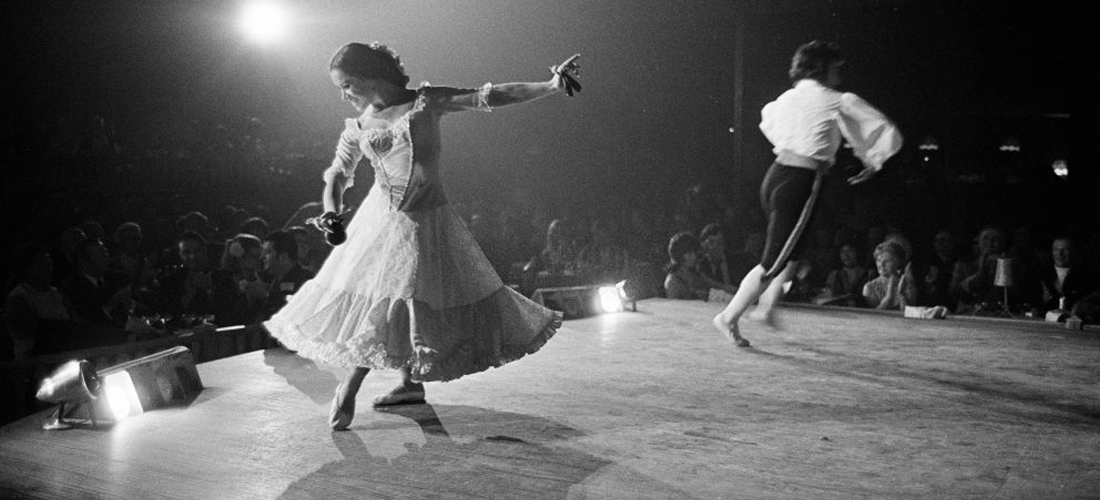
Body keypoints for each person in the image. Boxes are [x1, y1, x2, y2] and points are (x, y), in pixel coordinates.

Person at [263, 42, 578, 430]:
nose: (344, 95)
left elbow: (487, 95)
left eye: (347, 85)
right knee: (392, 300)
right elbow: (337, 176)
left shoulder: (426, 103)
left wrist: (549, 85)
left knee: (414, 299)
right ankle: (367, 385)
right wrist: (331, 214)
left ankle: (397, 385)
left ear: (370, 78)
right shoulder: (359, 127)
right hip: (380, 222)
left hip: (428, 219)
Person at [712, 40, 902, 347]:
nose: (839, 70)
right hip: (801, 182)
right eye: (835, 66)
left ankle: (767, 310)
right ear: (822, 67)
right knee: (772, 262)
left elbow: (768, 118)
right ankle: (729, 316)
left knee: (794, 254)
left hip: (777, 175)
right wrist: (874, 160)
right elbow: (881, 128)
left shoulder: (789, 97)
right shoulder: (838, 99)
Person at [663, 232, 735, 300]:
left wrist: (737, 291)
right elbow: (675, 309)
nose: (693, 256)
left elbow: (716, 285)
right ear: (679, 255)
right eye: (689, 254)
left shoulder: (695, 273)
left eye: (694, 252)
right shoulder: (673, 281)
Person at [862, 240, 917, 310]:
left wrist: (902, 294)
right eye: (878, 260)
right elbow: (873, 315)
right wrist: (889, 295)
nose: (881, 265)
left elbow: (908, 314)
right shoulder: (869, 287)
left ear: (898, 262)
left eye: (887, 261)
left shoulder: (907, 283)